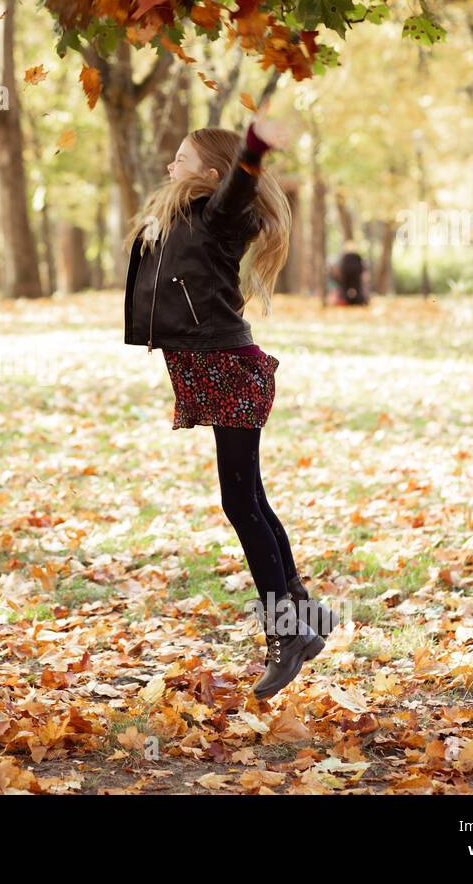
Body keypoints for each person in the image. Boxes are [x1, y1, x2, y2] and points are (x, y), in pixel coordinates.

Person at [123, 112, 338, 700]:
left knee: (239, 501)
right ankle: (302, 613)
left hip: (229, 369)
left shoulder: (220, 218)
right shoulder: (179, 218)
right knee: (251, 498)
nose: (172, 164)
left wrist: (253, 149)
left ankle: (286, 631)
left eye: (183, 158)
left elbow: (240, 187)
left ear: (212, 174)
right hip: (212, 368)